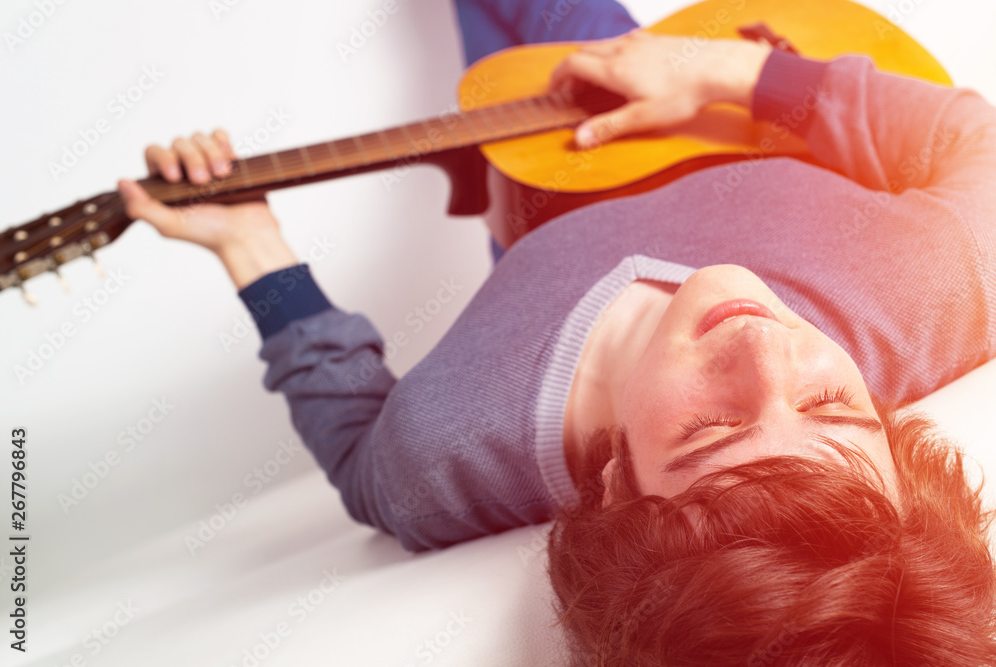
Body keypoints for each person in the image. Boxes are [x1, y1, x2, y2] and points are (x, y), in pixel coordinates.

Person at [117, 0, 996, 663]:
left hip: (543, 194)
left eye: (711, 428)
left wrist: (250, 244)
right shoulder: (926, 286)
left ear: (613, 482)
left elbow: (358, 456)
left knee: (494, 66)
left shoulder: (450, 448)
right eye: (836, 408)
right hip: (693, 111)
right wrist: (732, 78)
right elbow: (973, 140)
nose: (765, 344)